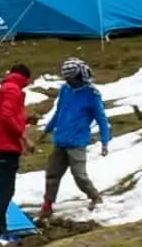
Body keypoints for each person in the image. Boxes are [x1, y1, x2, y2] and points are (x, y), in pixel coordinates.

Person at [42, 57, 113, 217]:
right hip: (61, 139)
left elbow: (101, 119)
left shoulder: (92, 94)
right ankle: (47, 205)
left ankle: (95, 196)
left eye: (71, 79)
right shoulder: (65, 90)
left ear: (80, 76)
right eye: (66, 79)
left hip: (77, 142)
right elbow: (59, 112)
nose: (69, 82)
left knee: (79, 175)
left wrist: (105, 141)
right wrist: (48, 129)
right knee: (52, 174)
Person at [0, 64, 34, 246]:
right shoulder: (13, 89)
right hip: (6, 146)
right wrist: (24, 137)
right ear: (25, 77)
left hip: (1, 144)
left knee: (4, 189)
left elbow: (5, 115)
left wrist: (24, 122)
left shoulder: (6, 88)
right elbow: (6, 116)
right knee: (5, 190)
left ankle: (1, 230)